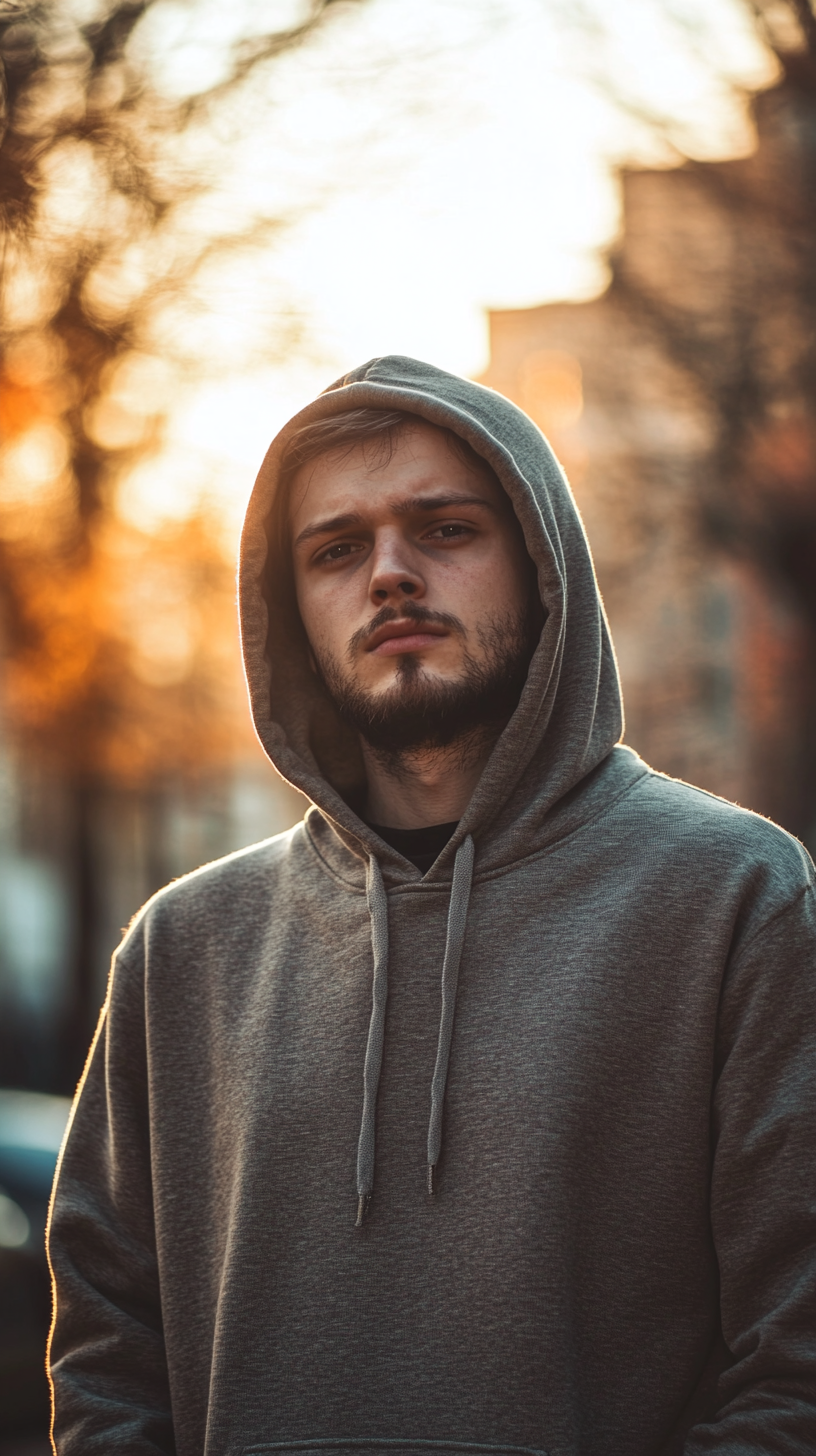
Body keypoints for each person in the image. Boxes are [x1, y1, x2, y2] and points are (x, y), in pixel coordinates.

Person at [47, 356, 816, 1456]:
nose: (390, 574)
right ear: (289, 608)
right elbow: (107, 1356)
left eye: (445, 529)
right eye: (336, 549)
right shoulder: (184, 948)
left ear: (542, 563)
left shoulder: (734, 898)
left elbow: (797, 1363)